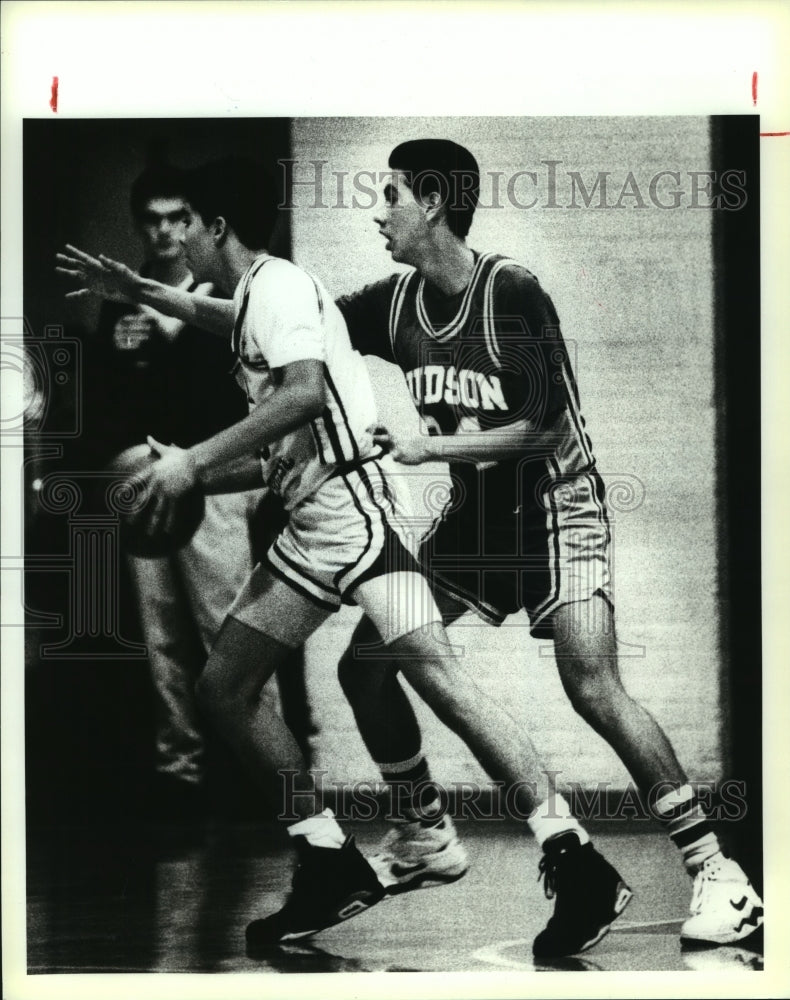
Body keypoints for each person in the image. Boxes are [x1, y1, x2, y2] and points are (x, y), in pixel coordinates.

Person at [57, 156, 633, 957]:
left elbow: (299, 392)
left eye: (183, 221)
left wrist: (187, 463)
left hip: (363, 526)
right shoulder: (259, 295)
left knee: (440, 680)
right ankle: (328, 855)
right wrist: (148, 297)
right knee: (225, 689)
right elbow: (242, 342)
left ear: (216, 225)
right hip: (312, 533)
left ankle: (572, 854)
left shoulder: (283, 288)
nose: (171, 237)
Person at [330, 138, 764, 951]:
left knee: (591, 685)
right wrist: (174, 298)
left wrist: (431, 450)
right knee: (366, 661)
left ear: (431, 202)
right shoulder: (394, 305)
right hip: (476, 524)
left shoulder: (513, 290)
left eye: (389, 195)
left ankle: (719, 874)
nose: (377, 212)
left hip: (559, 503)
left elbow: (541, 427)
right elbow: (296, 317)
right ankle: (425, 832)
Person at [88, 164, 314, 818]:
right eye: (153, 219)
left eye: (177, 217)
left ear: (200, 222)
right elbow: (111, 400)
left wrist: (212, 468)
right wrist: (127, 466)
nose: (166, 231)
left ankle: (264, 781)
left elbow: (276, 396)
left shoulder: (231, 295)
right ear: (140, 224)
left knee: (228, 631)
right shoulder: (122, 302)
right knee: (161, 638)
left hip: (215, 481)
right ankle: (180, 775)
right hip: (147, 481)